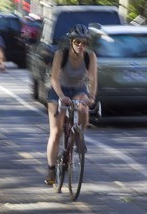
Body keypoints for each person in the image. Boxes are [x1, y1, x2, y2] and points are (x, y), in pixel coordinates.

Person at [45, 24, 97, 185]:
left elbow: (93, 79)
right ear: (71, 42)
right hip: (59, 90)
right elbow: (53, 78)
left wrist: (92, 97)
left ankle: (78, 137)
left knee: (84, 109)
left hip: (78, 89)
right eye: (78, 42)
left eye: (85, 43)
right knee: (56, 131)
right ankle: (52, 169)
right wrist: (61, 96)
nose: (81, 46)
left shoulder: (90, 56)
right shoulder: (61, 54)